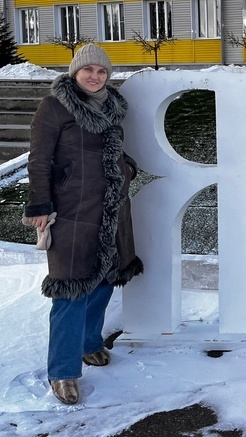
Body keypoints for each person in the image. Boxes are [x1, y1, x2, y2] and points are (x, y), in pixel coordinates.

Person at [25, 44, 143, 405]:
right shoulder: (55, 107)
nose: (95, 76)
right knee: (70, 289)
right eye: (88, 70)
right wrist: (40, 204)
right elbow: (39, 160)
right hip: (72, 210)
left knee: (106, 279)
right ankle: (62, 371)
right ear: (75, 72)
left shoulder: (112, 106)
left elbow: (108, 149)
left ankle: (90, 342)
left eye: (102, 71)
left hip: (111, 208)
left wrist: (126, 167)